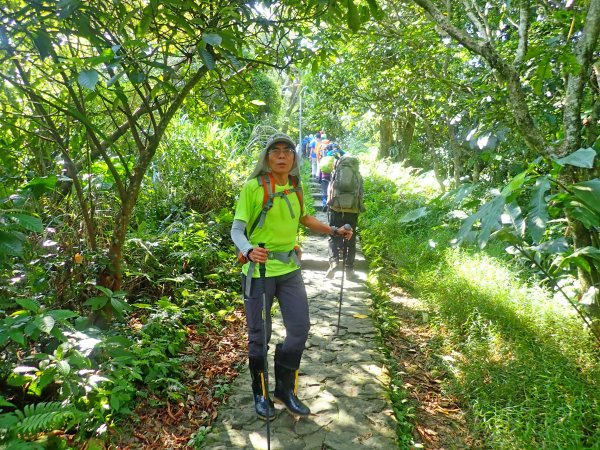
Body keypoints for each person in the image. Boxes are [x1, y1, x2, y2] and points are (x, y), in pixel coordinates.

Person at [231, 132, 353, 420]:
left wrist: (334, 231)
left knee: (299, 329)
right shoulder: (253, 187)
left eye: (288, 151)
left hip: (289, 271)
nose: (282, 156)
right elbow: (237, 229)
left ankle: (284, 391)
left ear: (295, 157)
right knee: (260, 337)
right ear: (267, 157)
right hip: (259, 272)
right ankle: (260, 394)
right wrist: (248, 250)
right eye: (276, 151)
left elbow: (304, 219)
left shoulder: (296, 188)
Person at [325, 154, 364, 279]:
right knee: (351, 240)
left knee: (332, 236)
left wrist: (329, 204)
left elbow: (330, 189)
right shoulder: (357, 175)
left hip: (336, 209)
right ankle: (349, 270)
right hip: (352, 210)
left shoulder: (336, 172)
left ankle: (334, 262)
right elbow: (360, 193)